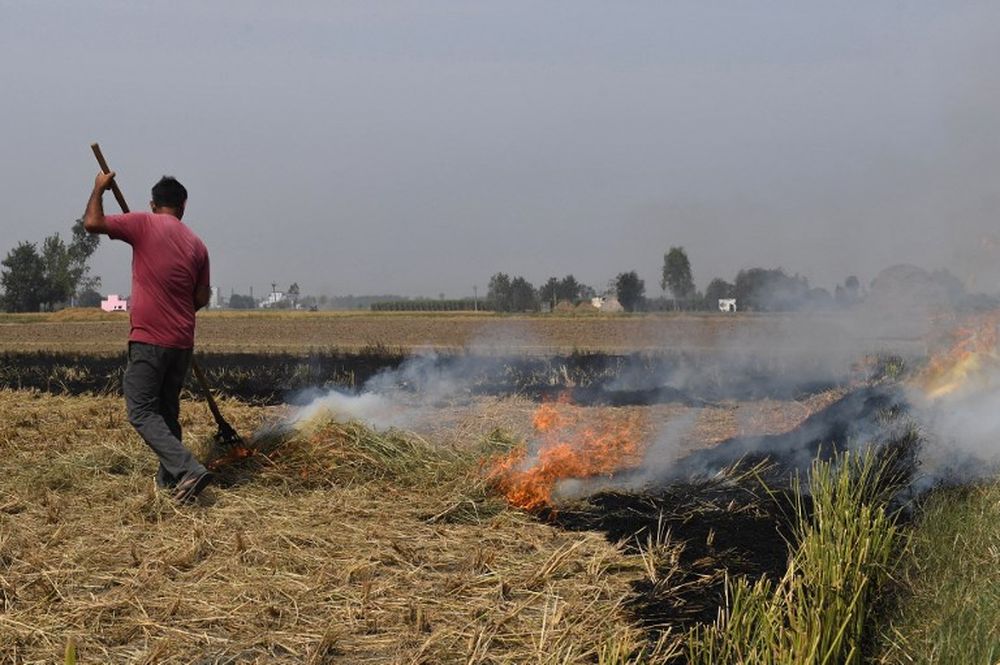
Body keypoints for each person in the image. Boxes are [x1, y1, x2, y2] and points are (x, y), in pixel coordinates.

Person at [84, 172, 213, 503]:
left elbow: (92, 223)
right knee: (167, 413)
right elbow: (200, 298)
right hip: (182, 342)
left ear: (153, 204)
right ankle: (170, 484)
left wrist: (99, 188)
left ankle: (188, 469)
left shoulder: (142, 222)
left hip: (150, 338)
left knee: (140, 409)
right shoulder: (198, 245)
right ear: (183, 206)